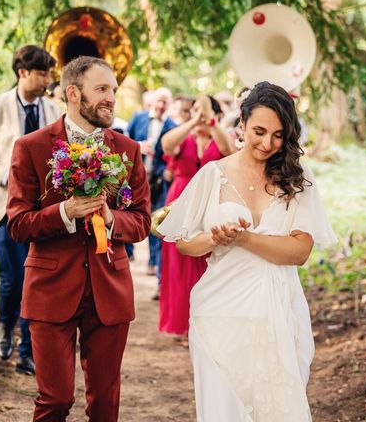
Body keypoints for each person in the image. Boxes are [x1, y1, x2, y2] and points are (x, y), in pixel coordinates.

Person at [157, 82, 337, 421]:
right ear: (241, 122)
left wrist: (245, 239)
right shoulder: (213, 175)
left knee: (278, 408)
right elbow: (183, 242)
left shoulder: (296, 179)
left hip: (277, 309)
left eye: (279, 135)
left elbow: (299, 251)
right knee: (226, 409)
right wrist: (213, 238)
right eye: (259, 131)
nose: (267, 143)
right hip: (218, 311)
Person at [6, 56, 151, 421]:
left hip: (110, 288)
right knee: (54, 399)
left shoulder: (128, 150)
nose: (111, 98)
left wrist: (111, 218)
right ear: (73, 93)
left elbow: (142, 221)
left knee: (105, 401)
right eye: (101, 89)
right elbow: (18, 224)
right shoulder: (32, 147)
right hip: (50, 288)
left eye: (113, 90)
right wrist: (65, 213)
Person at [0, 45, 62, 375]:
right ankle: (6, 324)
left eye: (50, 73)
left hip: (43, 209)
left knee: (36, 280)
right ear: (23, 72)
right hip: (4, 208)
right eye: (43, 73)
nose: (49, 79)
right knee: (12, 280)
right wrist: (6, 176)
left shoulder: (53, 108)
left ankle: (27, 352)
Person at [158, 95, 236, 340]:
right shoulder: (185, 137)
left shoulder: (221, 135)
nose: (199, 116)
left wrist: (212, 122)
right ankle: (183, 325)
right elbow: (166, 145)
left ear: (216, 115)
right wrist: (193, 121)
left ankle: (207, 322)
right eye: (194, 111)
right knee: (180, 263)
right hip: (181, 200)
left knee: (209, 259)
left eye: (204, 112)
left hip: (212, 201)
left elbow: (229, 150)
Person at [126, 87, 177, 279]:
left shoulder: (173, 125)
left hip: (157, 182)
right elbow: (124, 140)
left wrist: (165, 170)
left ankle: (154, 263)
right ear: (153, 102)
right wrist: (138, 147)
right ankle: (128, 253)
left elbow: (172, 155)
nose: (162, 105)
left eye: (165, 102)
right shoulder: (138, 118)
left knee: (156, 221)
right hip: (134, 179)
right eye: (159, 101)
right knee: (130, 217)